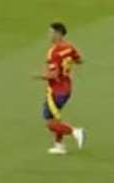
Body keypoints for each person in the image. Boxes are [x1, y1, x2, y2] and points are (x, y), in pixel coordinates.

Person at [36, 22, 86, 155]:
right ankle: (59, 146)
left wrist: (40, 76)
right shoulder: (69, 47)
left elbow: (53, 75)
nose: (48, 35)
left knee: (50, 122)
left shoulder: (53, 52)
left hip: (56, 90)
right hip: (66, 88)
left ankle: (76, 132)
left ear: (58, 33)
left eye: (51, 32)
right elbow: (79, 60)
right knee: (56, 118)